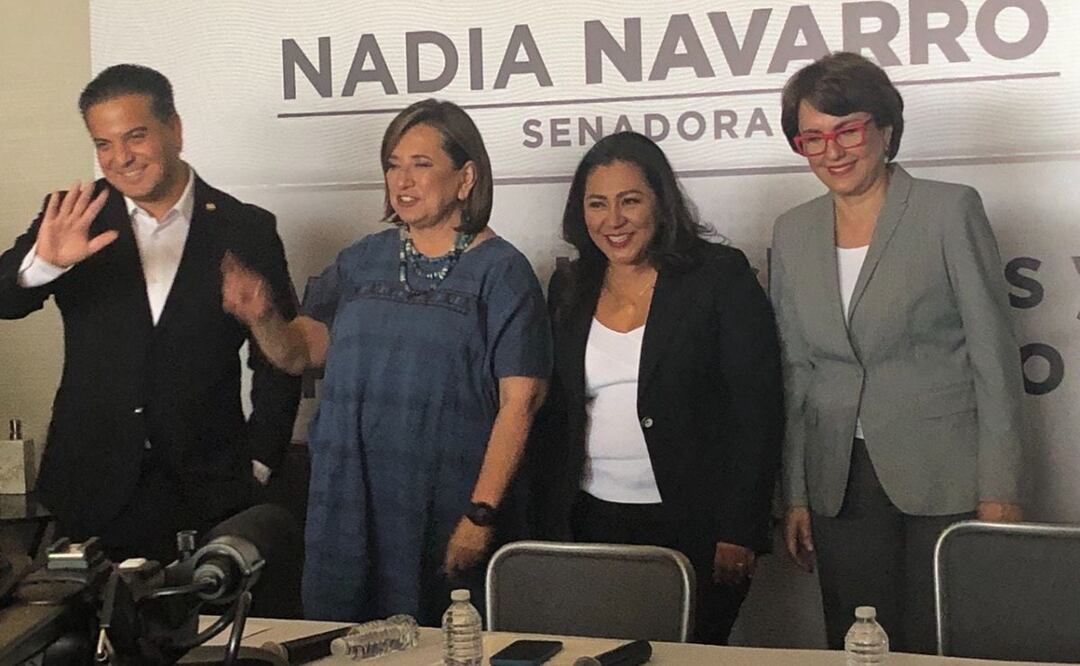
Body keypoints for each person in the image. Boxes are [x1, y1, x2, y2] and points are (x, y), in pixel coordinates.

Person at [221, 99, 551, 624]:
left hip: (447, 509)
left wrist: (480, 513)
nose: (403, 180)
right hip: (346, 505)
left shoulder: (502, 272)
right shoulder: (362, 259)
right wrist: (262, 318)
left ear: (466, 177)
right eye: (393, 164)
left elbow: (521, 404)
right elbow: (297, 353)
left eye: (421, 164)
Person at [771, 52, 1024, 653]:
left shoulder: (948, 209)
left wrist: (1002, 487)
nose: (832, 151)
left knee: (948, 639)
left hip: (948, 473)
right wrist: (797, 493)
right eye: (813, 138)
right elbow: (796, 372)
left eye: (847, 130)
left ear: (885, 128)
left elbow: (994, 358)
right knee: (860, 642)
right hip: (840, 479)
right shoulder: (791, 231)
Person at [0, 64, 301, 565]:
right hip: (89, 491)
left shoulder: (245, 227)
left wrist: (261, 460)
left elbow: (279, 357)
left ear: (175, 130)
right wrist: (45, 265)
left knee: (205, 639)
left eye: (135, 137)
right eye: (103, 144)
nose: (120, 159)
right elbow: (4, 302)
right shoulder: (74, 214)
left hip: (208, 493)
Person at [529, 131, 783, 644]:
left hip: (699, 524)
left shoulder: (719, 275)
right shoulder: (570, 286)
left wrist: (740, 528)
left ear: (660, 203)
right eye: (597, 204)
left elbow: (757, 409)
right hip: (592, 518)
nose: (613, 220)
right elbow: (557, 412)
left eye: (630, 201)